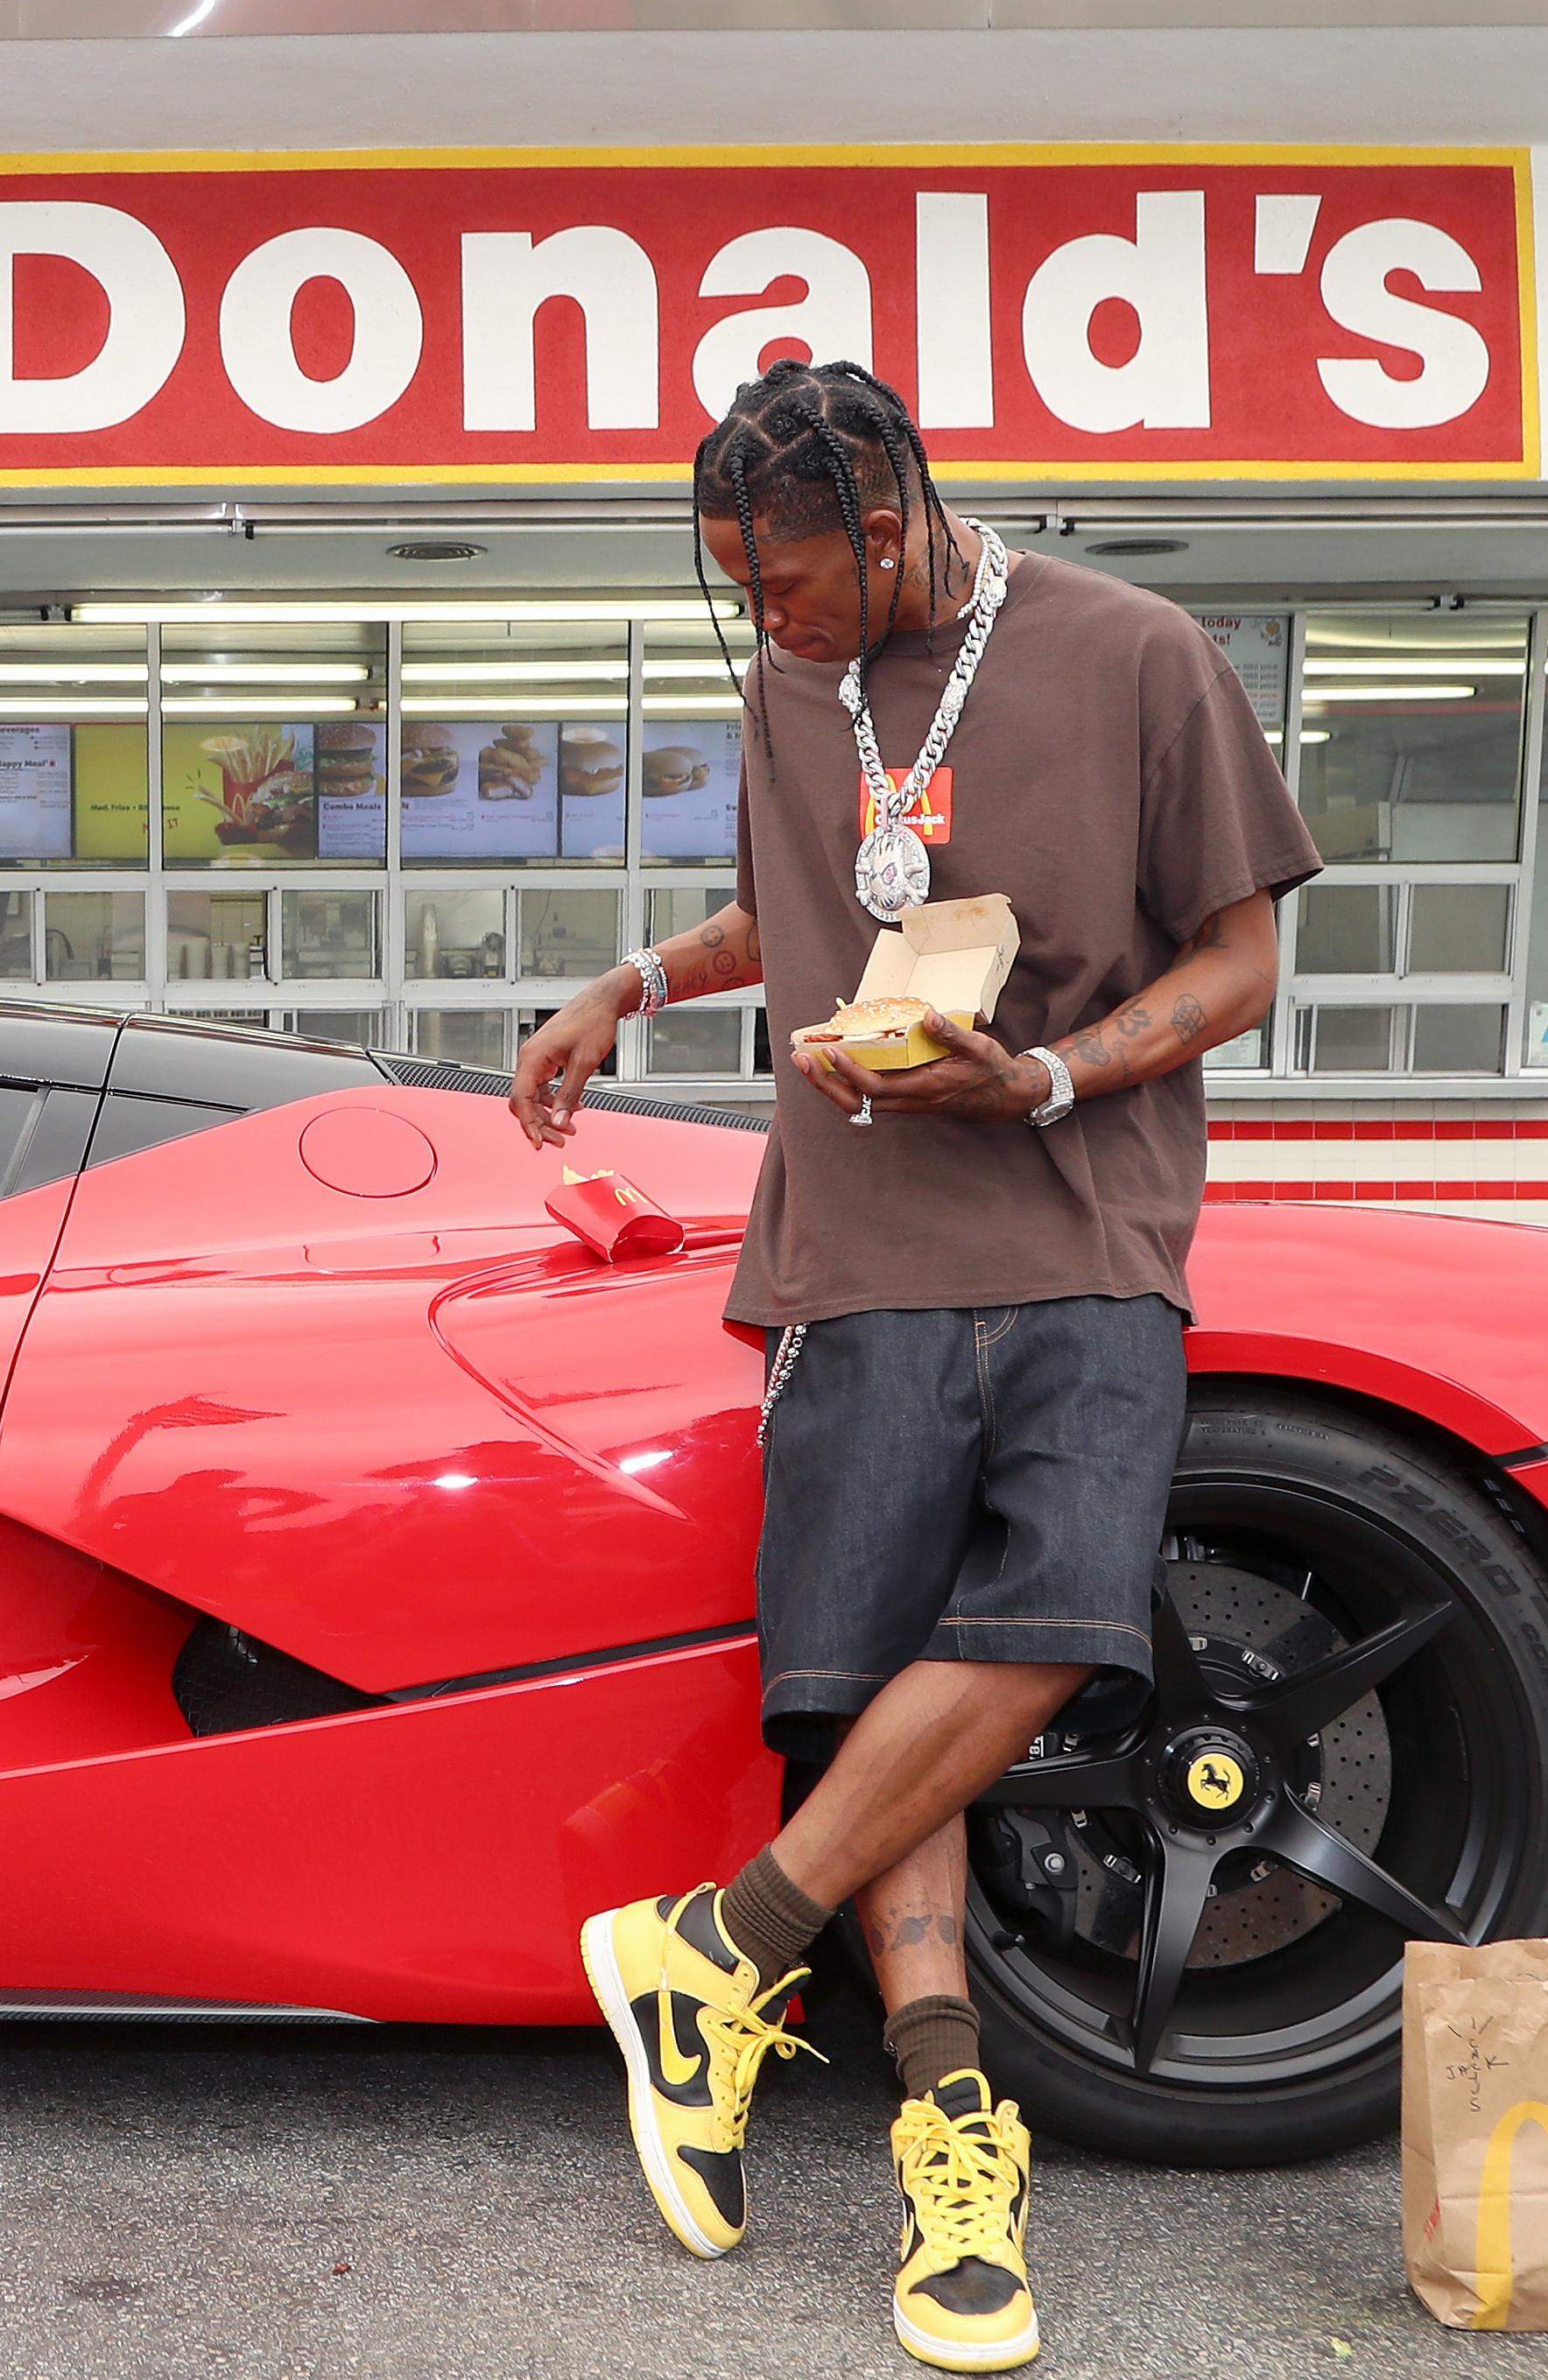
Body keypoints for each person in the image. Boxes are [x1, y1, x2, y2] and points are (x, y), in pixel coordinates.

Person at [510, 361, 1319, 2371]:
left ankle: (721, 1949)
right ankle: (956, 2138)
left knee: (1046, 1619)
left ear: (885, 522)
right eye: (732, 585)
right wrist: (627, 982)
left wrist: (1046, 1072)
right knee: (873, 1692)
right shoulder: (796, 682)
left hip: (1086, 1225)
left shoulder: (1137, 655)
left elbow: (1240, 960)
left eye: (779, 579)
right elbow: (802, 913)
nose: (756, 620)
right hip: (856, 1247)